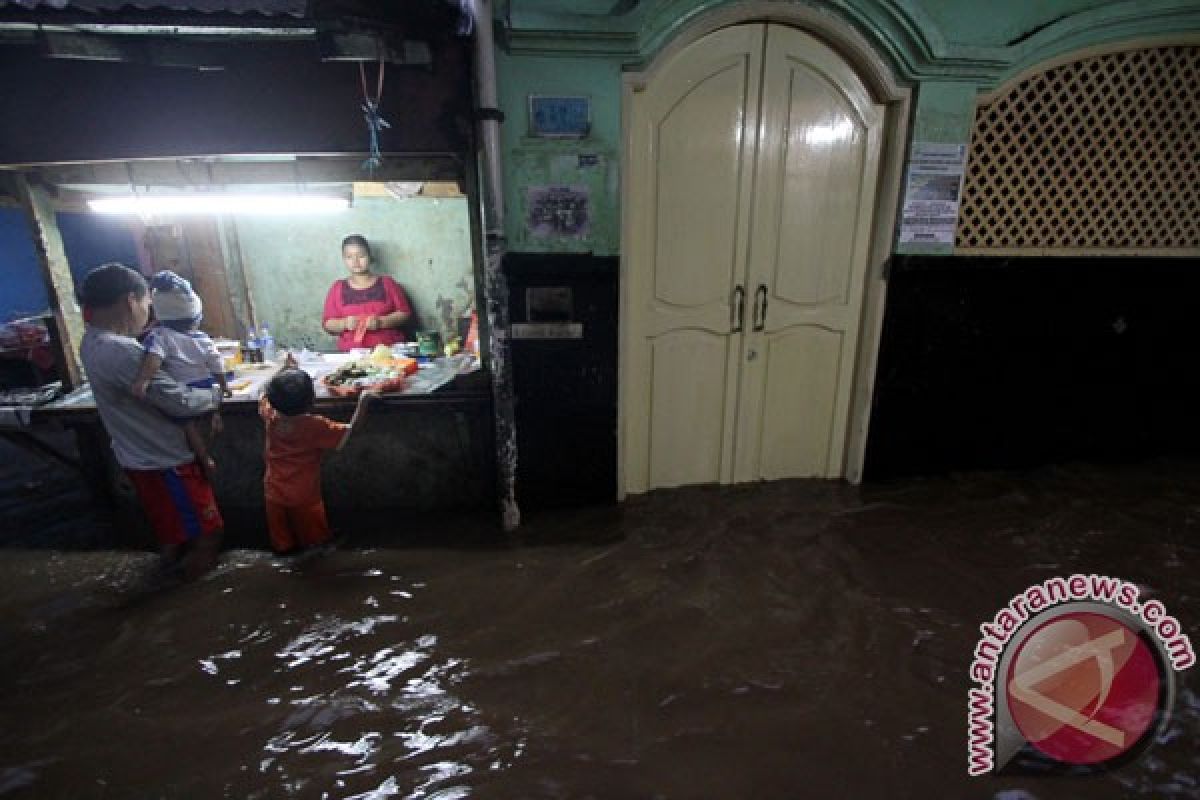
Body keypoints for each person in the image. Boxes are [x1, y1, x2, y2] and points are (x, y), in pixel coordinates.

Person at [77, 263, 225, 580]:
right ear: (131, 300)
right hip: (167, 463)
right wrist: (216, 394)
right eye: (146, 304)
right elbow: (178, 402)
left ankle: (158, 590)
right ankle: (186, 609)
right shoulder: (123, 351)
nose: (148, 312)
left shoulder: (91, 341)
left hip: (137, 459)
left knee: (172, 534)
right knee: (207, 536)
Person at [259, 354, 377, 554]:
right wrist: (363, 402)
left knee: (282, 545)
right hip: (304, 496)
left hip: (273, 492)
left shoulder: (270, 414)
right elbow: (351, 430)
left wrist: (285, 371)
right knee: (315, 544)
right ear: (312, 400)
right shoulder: (315, 426)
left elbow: (264, 394)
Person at [131, 270, 231, 478]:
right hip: (205, 386)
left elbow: (153, 359)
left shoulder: (159, 336)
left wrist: (143, 380)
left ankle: (204, 458)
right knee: (208, 411)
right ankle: (214, 424)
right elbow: (216, 364)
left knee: (188, 425)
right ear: (195, 317)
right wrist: (224, 386)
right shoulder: (202, 338)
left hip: (184, 388)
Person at [321, 234, 413, 351]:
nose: (355, 261)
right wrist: (344, 324)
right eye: (349, 257)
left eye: (361, 256)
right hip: (352, 355)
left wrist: (381, 322)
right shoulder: (337, 287)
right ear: (344, 259)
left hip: (389, 352)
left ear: (370, 256)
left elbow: (404, 313)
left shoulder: (387, 283)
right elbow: (327, 323)